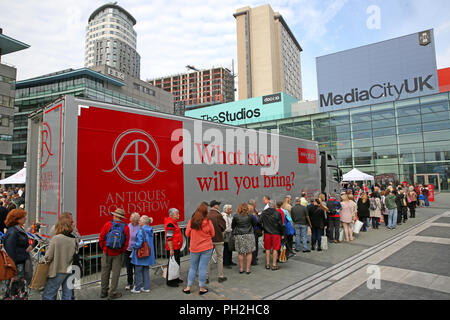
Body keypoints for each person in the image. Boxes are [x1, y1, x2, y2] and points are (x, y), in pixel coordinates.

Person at [183, 202, 215, 295]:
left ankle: (188, 287)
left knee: (192, 267)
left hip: (194, 248)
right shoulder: (208, 222)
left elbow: (187, 234)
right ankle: (201, 288)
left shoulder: (192, 221)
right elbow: (213, 234)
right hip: (207, 247)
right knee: (203, 268)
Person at [99, 208, 130, 300]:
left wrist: (104, 248)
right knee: (115, 273)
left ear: (114, 216)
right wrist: (122, 251)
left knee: (105, 272)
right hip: (118, 254)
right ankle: (112, 293)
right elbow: (127, 242)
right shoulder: (125, 227)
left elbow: (101, 238)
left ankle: (103, 292)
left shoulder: (107, 224)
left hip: (107, 252)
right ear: (121, 217)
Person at [42, 219, 77, 300]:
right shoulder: (73, 239)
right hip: (70, 269)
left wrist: (42, 260)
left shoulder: (56, 238)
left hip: (58, 270)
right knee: (67, 295)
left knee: (48, 294)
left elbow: (48, 256)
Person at [3, 209, 32, 299]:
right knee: (16, 289)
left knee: (18, 288)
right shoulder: (13, 232)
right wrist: (25, 251)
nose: (25, 218)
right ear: (17, 219)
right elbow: (10, 251)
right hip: (17, 265)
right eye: (23, 217)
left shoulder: (16, 230)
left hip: (19, 263)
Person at [130, 215, 155, 293]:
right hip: (148, 254)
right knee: (146, 270)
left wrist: (133, 245)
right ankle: (146, 287)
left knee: (138, 272)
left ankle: (137, 288)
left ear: (144, 222)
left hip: (140, 255)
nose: (139, 222)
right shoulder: (150, 230)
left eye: (140, 220)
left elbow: (139, 243)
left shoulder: (141, 231)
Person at [259, 200, 284, 271]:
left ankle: (267, 264)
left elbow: (259, 222)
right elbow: (281, 225)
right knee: (275, 249)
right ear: (274, 205)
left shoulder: (263, 212)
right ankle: (274, 264)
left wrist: (263, 228)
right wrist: (282, 234)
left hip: (267, 233)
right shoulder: (277, 213)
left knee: (267, 249)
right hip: (276, 233)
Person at [231, 203, 256, 274]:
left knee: (240, 253)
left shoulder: (236, 216)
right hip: (249, 235)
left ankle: (241, 268)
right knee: (249, 252)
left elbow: (233, 226)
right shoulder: (250, 216)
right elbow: (254, 224)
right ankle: (248, 269)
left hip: (239, 235)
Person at [206, 200, 227, 284]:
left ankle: (206, 277)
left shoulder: (206, 215)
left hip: (209, 239)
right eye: (218, 204)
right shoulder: (218, 215)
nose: (218, 206)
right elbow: (223, 227)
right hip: (218, 239)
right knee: (219, 258)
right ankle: (220, 276)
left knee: (208, 259)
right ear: (215, 206)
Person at [164, 208, 184, 287]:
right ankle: (170, 281)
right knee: (172, 264)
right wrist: (171, 249)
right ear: (171, 215)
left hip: (176, 246)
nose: (178, 215)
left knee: (176, 263)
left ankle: (175, 278)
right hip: (173, 248)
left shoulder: (173, 223)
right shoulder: (170, 224)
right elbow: (169, 238)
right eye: (177, 214)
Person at [125, 212, 141, 290]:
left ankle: (137, 282)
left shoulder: (140, 227)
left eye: (133, 220)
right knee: (129, 268)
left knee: (137, 267)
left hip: (136, 250)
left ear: (136, 220)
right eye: (131, 219)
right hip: (128, 250)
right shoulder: (128, 225)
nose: (131, 220)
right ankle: (129, 283)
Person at [221, 204, 235, 268]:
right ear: (226, 210)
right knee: (226, 248)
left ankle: (230, 261)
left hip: (230, 233)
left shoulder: (229, 215)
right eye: (230, 209)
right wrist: (232, 229)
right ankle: (226, 263)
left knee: (230, 247)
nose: (231, 210)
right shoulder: (224, 216)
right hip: (227, 234)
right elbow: (226, 227)